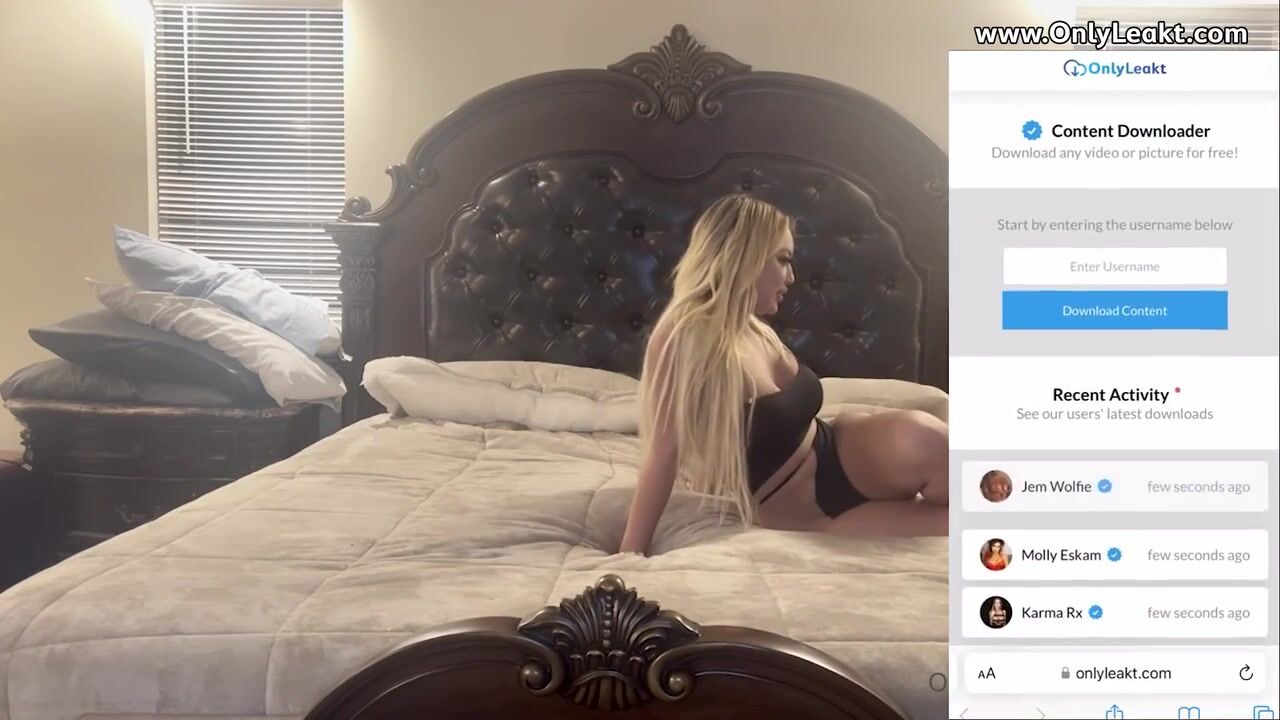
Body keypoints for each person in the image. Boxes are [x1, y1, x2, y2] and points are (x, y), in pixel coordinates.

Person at [618, 193, 948, 556]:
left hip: (845, 450)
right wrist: (629, 553)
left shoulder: (753, 327)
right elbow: (663, 453)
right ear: (744, 256)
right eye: (783, 259)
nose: (791, 277)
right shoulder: (683, 336)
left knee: (939, 445)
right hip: (809, 509)